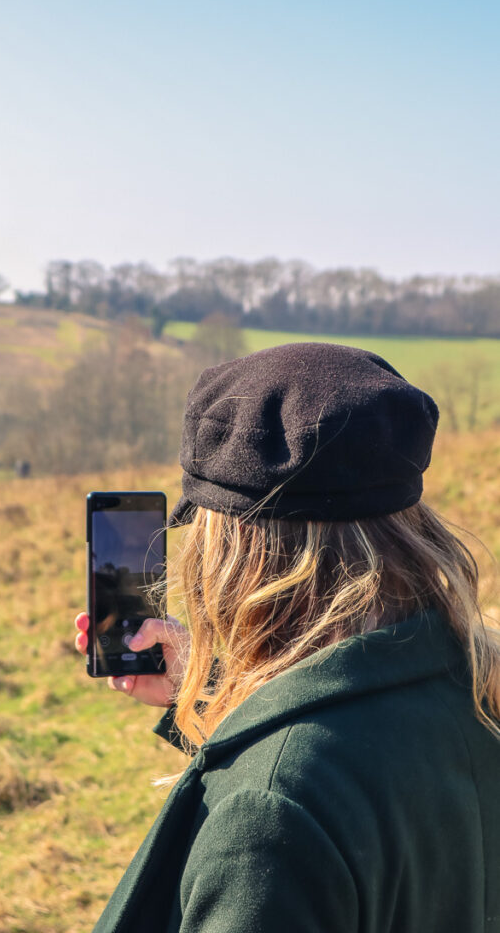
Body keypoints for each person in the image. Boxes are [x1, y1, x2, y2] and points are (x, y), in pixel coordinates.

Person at [74, 342, 500, 933]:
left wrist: (263, 754)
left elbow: (313, 781)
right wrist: (208, 691)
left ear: (236, 551)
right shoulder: (475, 684)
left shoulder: (269, 819)